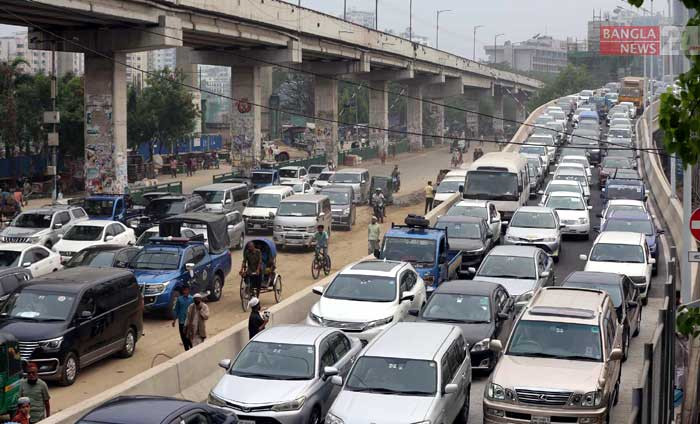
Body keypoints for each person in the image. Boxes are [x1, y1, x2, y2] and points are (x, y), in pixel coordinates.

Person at [172, 284, 194, 351]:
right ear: (183, 291)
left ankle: (192, 349)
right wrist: (174, 320)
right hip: (181, 321)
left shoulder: (192, 299)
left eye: (187, 290)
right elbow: (176, 310)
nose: (186, 291)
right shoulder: (179, 299)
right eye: (185, 290)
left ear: (189, 290)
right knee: (183, 337)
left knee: (190, 337)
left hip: (189, 322)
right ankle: (186, 350)